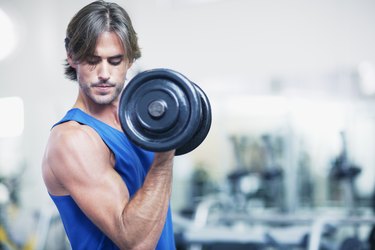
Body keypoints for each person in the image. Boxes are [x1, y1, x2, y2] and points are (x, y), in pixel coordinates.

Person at [41, 1, 176, 249]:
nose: (104, 73)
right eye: (93, 60)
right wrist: (166, 153)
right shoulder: (73, 139)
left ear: (130, 60)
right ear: (72, 57)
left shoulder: (137, 124)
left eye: (115, 61)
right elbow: (135, 241)